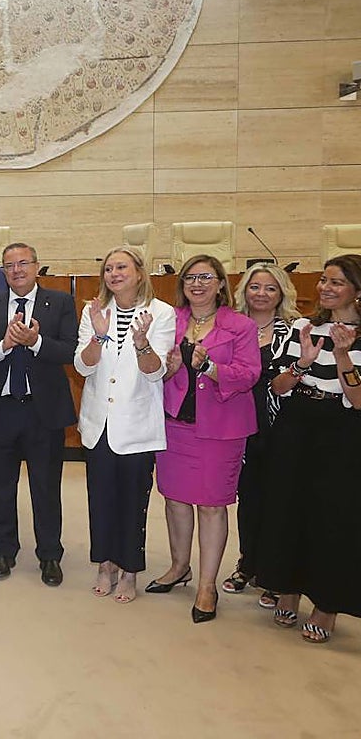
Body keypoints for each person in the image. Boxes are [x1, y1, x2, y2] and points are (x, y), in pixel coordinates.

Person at [255, 255, 361, 645]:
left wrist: (345, 353)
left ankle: (327, 604)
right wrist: (303, 362)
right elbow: (278, 387)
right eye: (324, 281)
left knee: (331, 516)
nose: (326, 289)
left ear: (357, 291)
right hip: (296, 422)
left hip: (341, 431)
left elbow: (359, 399)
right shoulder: (303, 326)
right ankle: (288, 587)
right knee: (288, 507)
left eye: (336, 282)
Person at [150, 256, 260, 624]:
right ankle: (179, 566)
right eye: (190, 278)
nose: (197, 284)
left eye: (205, 277)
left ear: (220, 284)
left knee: (212, 506)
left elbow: (249, 375)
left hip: (221, 429)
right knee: (176, 499)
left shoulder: (240, 325)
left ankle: (207, 586)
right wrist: (170, 368)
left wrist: (208, 367)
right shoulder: (171, 319)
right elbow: (155, 370)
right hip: (174, 423)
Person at [74, 246, 175, 604]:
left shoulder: (160, 313)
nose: (114, 274)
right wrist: (99, 336)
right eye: (108, 269)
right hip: (98, 423)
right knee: (100, 499)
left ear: (139, 272)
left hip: (136, 424)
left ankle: (130, 569)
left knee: (133, 501)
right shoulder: (94, 310)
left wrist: (142, 343)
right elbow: (83, 366)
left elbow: (155, 371)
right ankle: (106, 564)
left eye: (121, 267)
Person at [0, 243, 77, 587]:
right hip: (0, 409)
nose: (17, 270)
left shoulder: (60, 302)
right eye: (9, 265)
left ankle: (49, 554)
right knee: (0, 487)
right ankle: (4, 550)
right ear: (2, 271)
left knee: (46, 487)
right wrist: (5, 344)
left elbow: (70, 350)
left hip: (42, 411)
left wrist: (35, 342)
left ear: (37, 267)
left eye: (23, 264)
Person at [221, 263, 299, 607]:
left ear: (281, 293)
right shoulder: (233, 326)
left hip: (282, 425)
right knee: (249, 496)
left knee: (279, 499)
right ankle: (247, 564)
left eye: (270, 288)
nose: (262, 294)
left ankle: (274, 574)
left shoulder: (296, 329)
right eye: (255, 287)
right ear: (244, 292)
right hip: (240, 419)